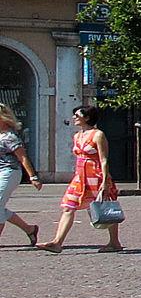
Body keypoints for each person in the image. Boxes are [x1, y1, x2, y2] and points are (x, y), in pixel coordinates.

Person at [40, 104, 122, 253]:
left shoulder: (98, 135)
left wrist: (105, 182)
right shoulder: (77, 136)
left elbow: (104, 159)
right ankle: (57, 242)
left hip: (96, 176)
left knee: (106, 207)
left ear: (87, 117)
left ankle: (114, 242)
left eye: (77, 116)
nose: (74, 118)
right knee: (68, 206)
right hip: (80, 177)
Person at [0, 102, 42, 246]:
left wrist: (33, 177)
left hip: (9, 172)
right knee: (0, 207)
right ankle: (29, 229)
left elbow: (23, 157)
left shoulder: (9, 136)